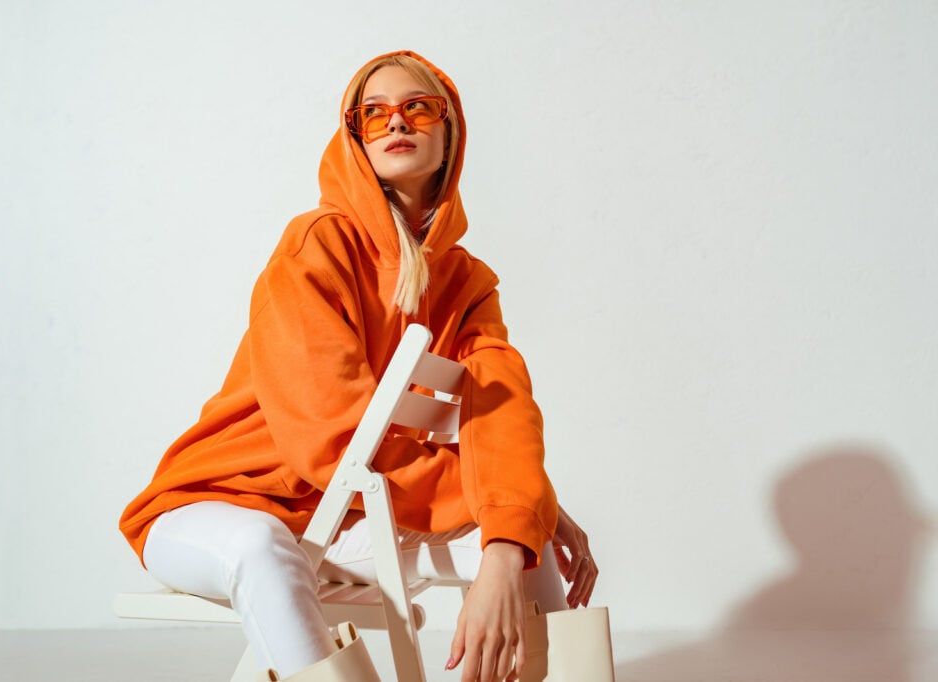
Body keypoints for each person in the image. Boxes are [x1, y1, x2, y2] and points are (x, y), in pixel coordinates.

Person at [119, 50, 598, 682]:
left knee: (519, 550)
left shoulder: (468, 281)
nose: (396, 123)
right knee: (264, 548)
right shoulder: (315, 245)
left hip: (343, 514)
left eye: (417, 107)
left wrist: (514, 523)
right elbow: (332, 437)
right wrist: (516, 502)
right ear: (355, 138)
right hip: (213, 507)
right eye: (373, 115)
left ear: (450, 128)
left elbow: (500, 413)